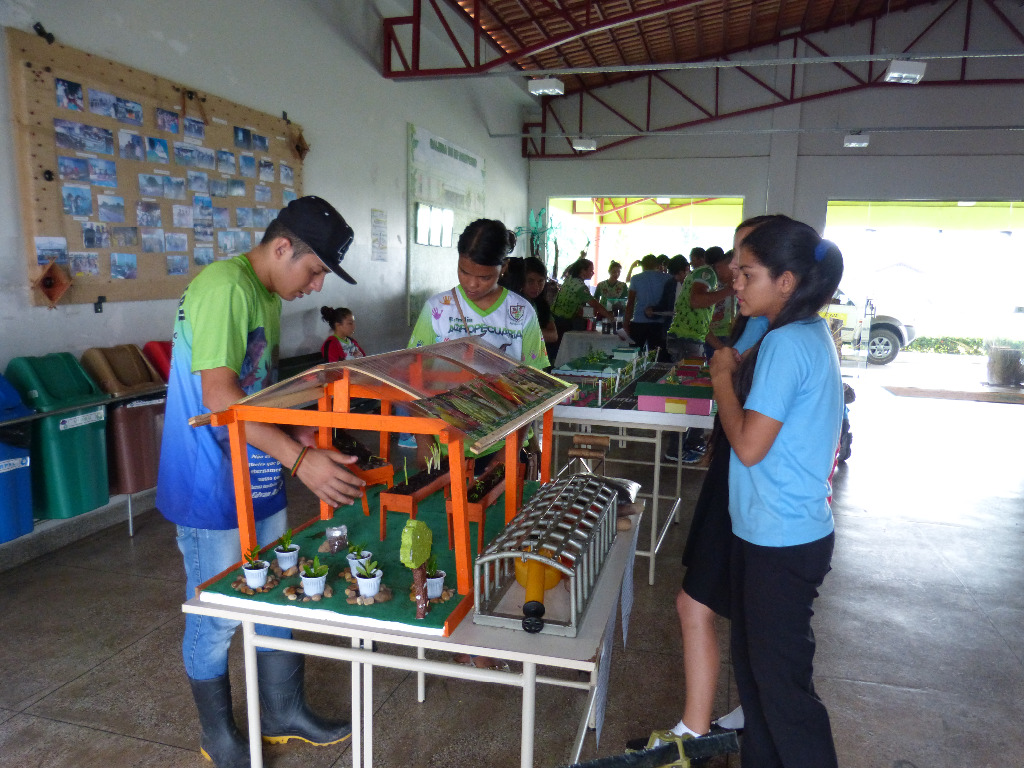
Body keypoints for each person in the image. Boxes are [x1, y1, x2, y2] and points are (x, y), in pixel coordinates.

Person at [157, 196, 365, 768]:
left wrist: (296, 444)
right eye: (316, 269)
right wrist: (302, 465)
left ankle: (282, 714)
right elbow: (220, 397)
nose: (317, 286)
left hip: (258, 470)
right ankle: (218, 735)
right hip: (210, 482)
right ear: (281, 247)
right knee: (217, 609)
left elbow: (253, 397)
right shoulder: (226, 286)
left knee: (279, 588)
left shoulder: (265, 294)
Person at [710, 216, 844, 768]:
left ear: (786, 281)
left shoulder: (788, 343)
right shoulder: (800, 333)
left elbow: (748, 446)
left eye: (747, 272)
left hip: (783, 542)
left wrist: (722, 378)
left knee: (783, 693)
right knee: (760, 684)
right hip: (768, 531)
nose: (735, 282)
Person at [408, 218, 549, 672]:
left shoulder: (520, 314)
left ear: (502, 268)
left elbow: (537, 377)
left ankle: (493, 634)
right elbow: (413, 370)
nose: (472, 283)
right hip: (447, 442)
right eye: (465, 272)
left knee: (501, 538)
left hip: (503, 442)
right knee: (452, 539)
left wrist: (532, 440)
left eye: (484, 276)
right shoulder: (438, 309)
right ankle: (455, 627)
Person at [623, 254, 673, 359]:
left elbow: (630, 303)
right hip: (659, 322)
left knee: (634, 355)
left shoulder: (636, 279)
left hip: (639, 321)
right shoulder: (667, 278)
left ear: (643, 265)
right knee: (656, 356)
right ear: (657, 265)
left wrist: (626, 323)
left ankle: (632, 374)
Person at [550, 257, 613, 338]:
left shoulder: (570, 279)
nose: (593, 273)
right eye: (591, 270)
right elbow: (595, 304)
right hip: (562, 321)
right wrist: (610, 317)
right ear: (583, 271)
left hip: (555, 317)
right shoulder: (579, 286)